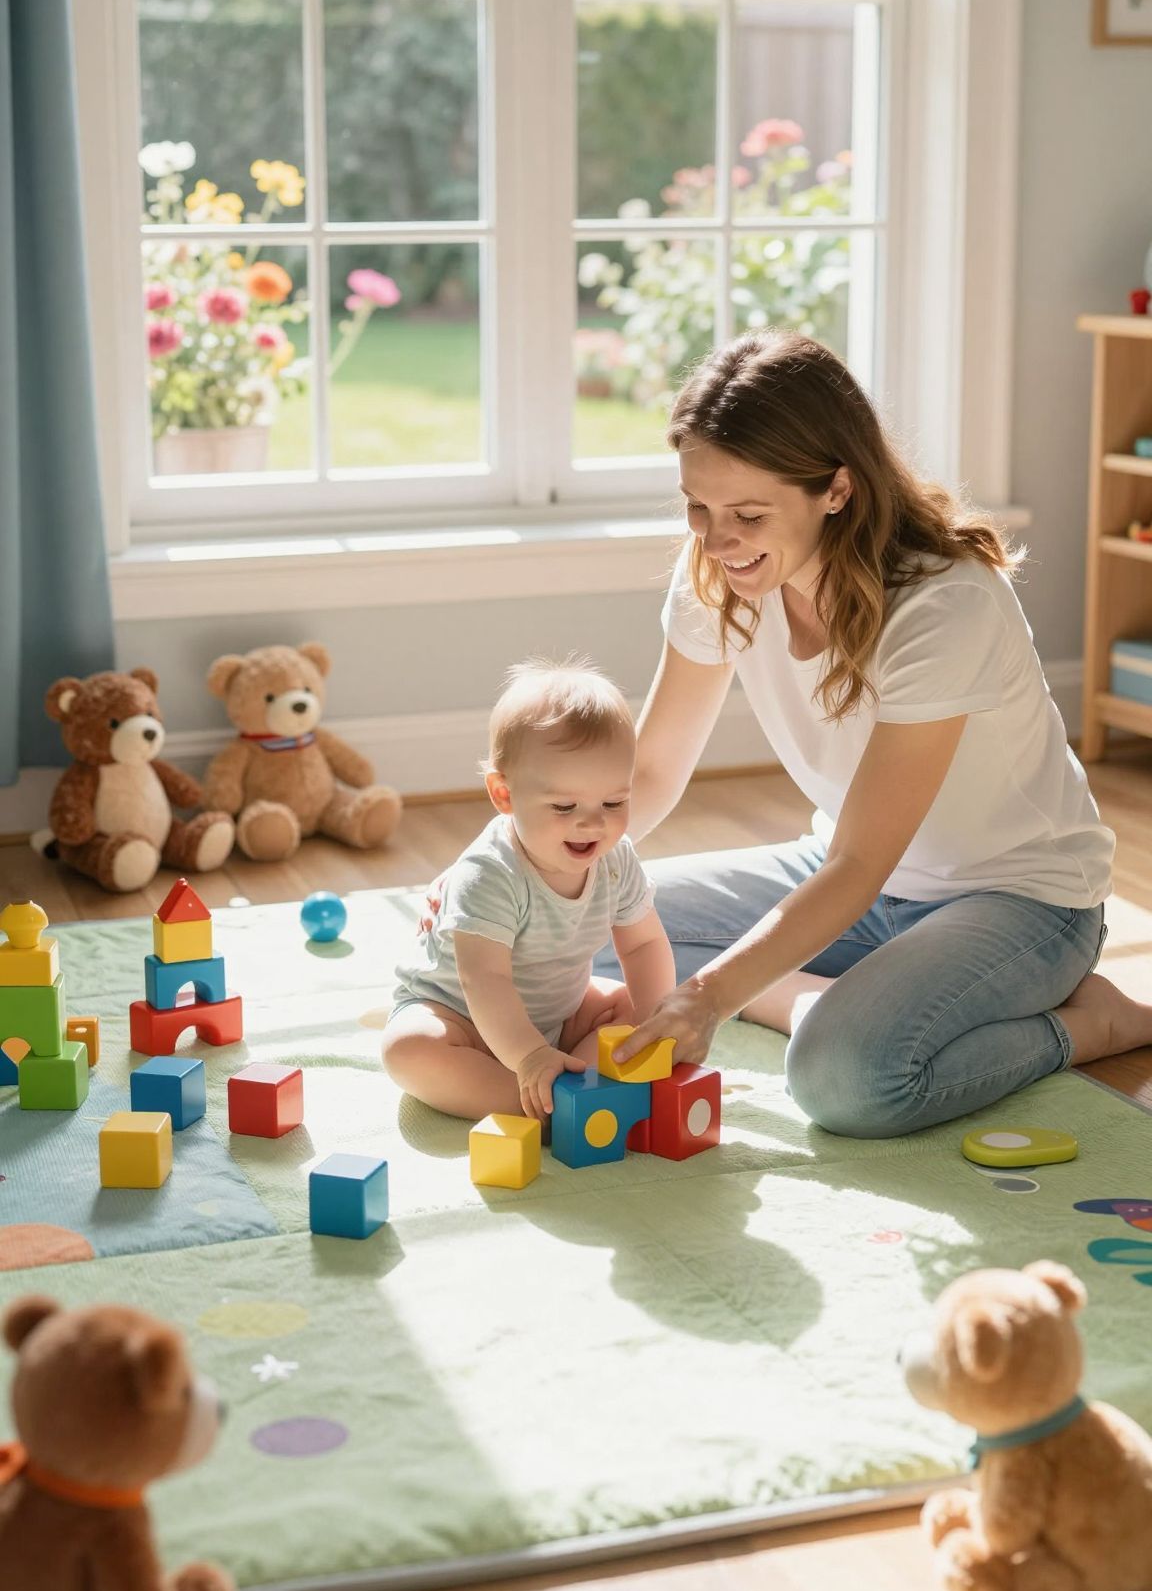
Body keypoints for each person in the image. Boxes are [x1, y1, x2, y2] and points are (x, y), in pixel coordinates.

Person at [604, 330, 1152, 1137]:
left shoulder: (943, 604)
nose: (718, 541)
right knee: (587, 933)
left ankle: (1091, 1024)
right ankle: (821, 996)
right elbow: (649, 774)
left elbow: (864, 862)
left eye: (748, 514)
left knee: (844, 1077)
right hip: (852, 878)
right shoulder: (719, 578)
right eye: (698, 509)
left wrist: (712, 992)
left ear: (836, 489)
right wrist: (521, 868)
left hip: (1018, 898)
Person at [384, 660, 675, 1121]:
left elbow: (643, 944)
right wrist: (528, 1057)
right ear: (504, 795)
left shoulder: (616, 861)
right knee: (410, 1049)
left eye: (614, 802)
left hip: (558, 1015)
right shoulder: (490, 873)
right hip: (463, 1019)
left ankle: (575, 1087)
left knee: (630, 1001)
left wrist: (660, 1023)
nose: (592, 822)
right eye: (564, 806)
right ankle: (538, 1104)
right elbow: (484, 980)